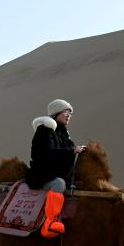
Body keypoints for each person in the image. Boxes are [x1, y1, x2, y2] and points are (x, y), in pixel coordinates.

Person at [26, 99, 87, 238]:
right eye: (66, 112)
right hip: (42, 175)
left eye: (70, 113)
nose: (69, 115)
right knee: (59, 184)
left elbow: (68, 152)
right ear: (56, 113)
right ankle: (51, 222)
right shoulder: (45, 131)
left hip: (58, 172)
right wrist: (72, 151)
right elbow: (47, 154)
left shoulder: (64, 134)